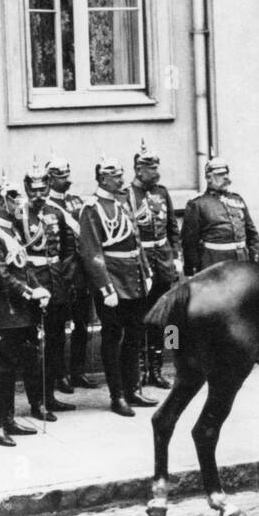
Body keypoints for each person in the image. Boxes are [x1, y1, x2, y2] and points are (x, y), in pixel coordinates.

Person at [79, 156, 156, 416]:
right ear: (102, 178)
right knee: (112, 338)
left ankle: (133, 388)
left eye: (122, 174)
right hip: (112, 281)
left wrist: (145, 270)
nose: (121, 179)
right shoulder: (92, 207)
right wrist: (105, 287)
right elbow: (92, 252)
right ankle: (117, 395)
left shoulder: (124, 201)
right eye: (115, 175)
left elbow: (136, 240)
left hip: (134, 278)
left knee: (135, 335)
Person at [0, 181, 50, 445]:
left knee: (13, 366)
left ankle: (8, 419)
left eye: (19, 197)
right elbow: (0, 275)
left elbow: (25, 268)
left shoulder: (14, 232)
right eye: (12, 198)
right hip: (2, 310)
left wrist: (39, 289)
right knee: (2, 368)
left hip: (18, 309)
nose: (19, 202)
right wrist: (30, 293)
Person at [20, 164, 76, 420]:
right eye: (34, 190)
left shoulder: (56, 212)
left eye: (43, 189)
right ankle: (37, 401)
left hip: (56, 283)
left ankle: (51, 395)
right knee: (34, 346)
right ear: (26, 189)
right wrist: (33, 286)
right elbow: (19, 255)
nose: (39, 195)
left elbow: (66, 249)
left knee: (55, 341)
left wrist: (64, 278)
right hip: (34, 285)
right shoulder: (20, 216)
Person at [126, 141, 181, 390]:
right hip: (141, 264)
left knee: (164, 317)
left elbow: (172, 228)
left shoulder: (162, 192)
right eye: (151, 168)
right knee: (140, 318)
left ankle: (159, 368)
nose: (156, 172)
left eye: (157, 167)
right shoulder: (127, 195)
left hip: (164, 262)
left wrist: (176, 257)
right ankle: (138, 370)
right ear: (139, 170)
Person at [44, 156, 97, 390]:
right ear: (50, 179)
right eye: (61, 176)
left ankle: (78, 370)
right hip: (61, 275)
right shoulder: (45, 207)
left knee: (82, 326)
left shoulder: (77, 202)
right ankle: (59, 373)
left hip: (82, 275)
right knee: (56, 329)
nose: (67, 180)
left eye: (67, 174)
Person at [181, 158, 259, 274]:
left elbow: (252, 234)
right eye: (220, 175)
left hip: (242, 263)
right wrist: (193, 272)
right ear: (209, 178)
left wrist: (255, 262)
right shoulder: (197, 204)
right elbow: (189, 244)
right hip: (215, 265)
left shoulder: (237, 199)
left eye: (227, 173)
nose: (226, 177)